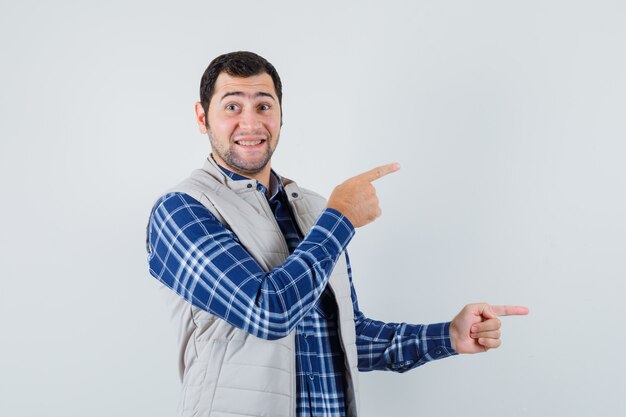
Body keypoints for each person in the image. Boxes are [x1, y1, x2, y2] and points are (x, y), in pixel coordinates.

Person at [146, 51, 528, 417]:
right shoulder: (181, 211)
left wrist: (448, 335)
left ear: (280, 116)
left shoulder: (314, 210)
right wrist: (341, 217)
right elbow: (268, 312)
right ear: (202, 117)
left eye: (264, 105)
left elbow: (347, 336)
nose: (250, 123)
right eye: (232, 106)